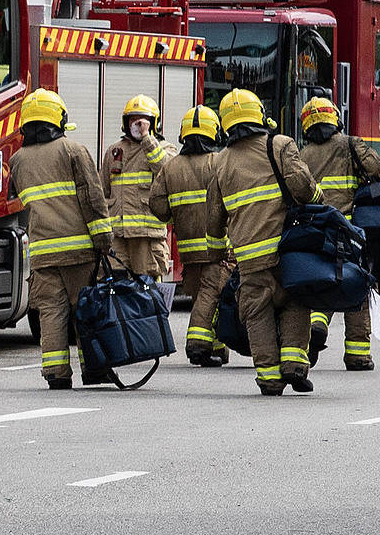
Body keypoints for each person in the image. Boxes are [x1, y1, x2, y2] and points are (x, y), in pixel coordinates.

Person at [216, 89, 323, 396]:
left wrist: (216, 251)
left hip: (250, 260)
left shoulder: (221, 161)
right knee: (296, 300)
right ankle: (294, 365)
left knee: (257, 313)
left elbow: (214, 217)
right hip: (287, 250)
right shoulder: (279, 144)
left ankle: (269, 378)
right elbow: (303, 186)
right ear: (260, 114)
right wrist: (318, 199)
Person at [7, 87, 111, 390]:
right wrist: (103, 239)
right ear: (59, 119)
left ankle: (55, 372)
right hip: (79, 250)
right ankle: (94, 369)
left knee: (51, 311)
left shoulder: (18, 160)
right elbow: (93, 198)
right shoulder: (73, 151)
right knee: (86, 310)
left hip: (41, 252)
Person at [297, 96, 380, 371]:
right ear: (334, 118)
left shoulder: (303, 155)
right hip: (349, 233)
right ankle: (357, 355)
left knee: (323, 282)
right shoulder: (349, 144)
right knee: (358, 285)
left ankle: (316, 326)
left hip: (316, 232)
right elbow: (376, 168)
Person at [147, 106, 233, 367]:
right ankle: (196, 344)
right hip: (218, 246)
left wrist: (180, 217)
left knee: (201, 296)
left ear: (184, 134)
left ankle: (216, 346)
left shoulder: (171, 167)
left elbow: (158, 207)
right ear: (214, 133)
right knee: (211, 295)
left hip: (188, 248)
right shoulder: (219, 162)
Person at [100, 95, 174, 280]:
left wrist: (147, 139)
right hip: (118, 237)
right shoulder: (114, 151)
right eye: (133, 120)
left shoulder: (164, 148)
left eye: (143, 121)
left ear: (153, 123)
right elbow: (102, 192)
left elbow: (167, 173)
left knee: (146, 290)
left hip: (147, 237)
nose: (137, 125)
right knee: (116, 287)